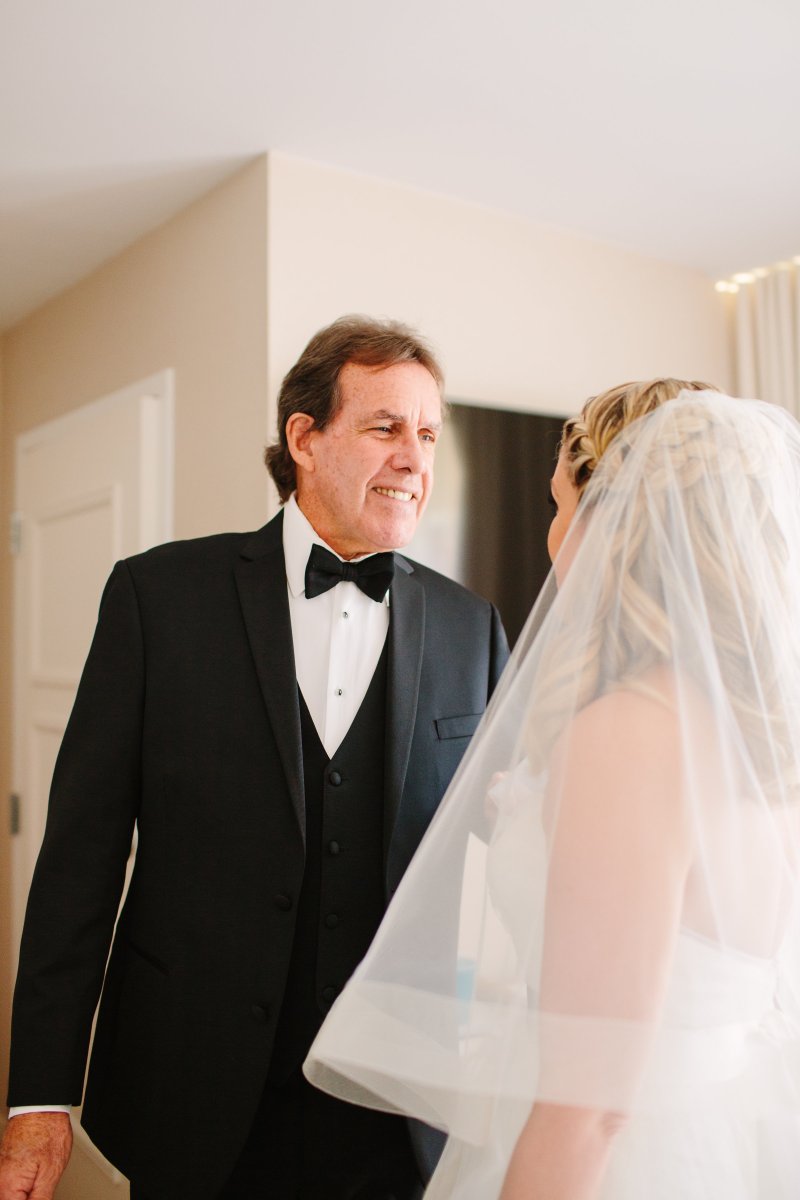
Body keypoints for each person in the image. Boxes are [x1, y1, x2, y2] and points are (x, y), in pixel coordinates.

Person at [0, 315, 509, 1200]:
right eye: (386, 427)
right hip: (190, 1089)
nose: (415, 460)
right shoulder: (158, 598)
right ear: (304, 439)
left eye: (429, 435)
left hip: (393, 1108)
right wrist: (40, 1092)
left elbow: (504, 859)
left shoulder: (475, 628)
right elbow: (80, 860)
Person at [305, 379, 800, 1199]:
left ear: (614, 524)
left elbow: (588, 1112)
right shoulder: (757, 728)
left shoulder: (633, 731)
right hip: (721, 1140)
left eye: (558, 504)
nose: (552, 535)